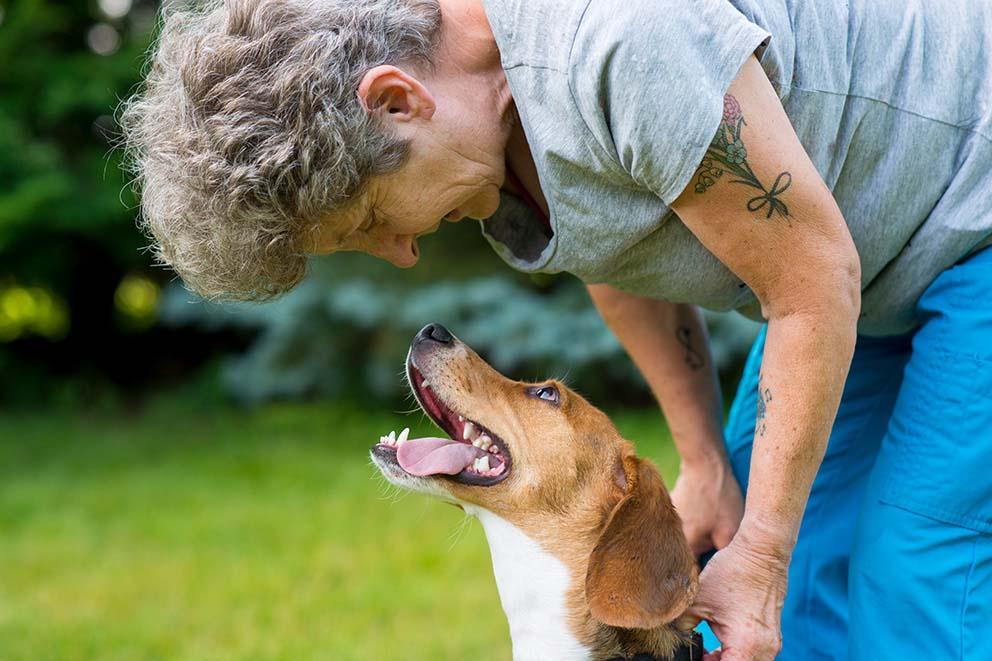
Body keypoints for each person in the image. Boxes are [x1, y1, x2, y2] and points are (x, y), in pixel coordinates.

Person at [120, 0, 992, 658]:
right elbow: (623, 253)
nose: (402, 253)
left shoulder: (621, 41)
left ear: (395, 100)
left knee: (915, 568)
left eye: (373, 220)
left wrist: (761, 552)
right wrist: (703, 462)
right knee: (790, 589)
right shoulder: (496, 140)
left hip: (968, 222)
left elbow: (811, 284)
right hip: (870, 271)